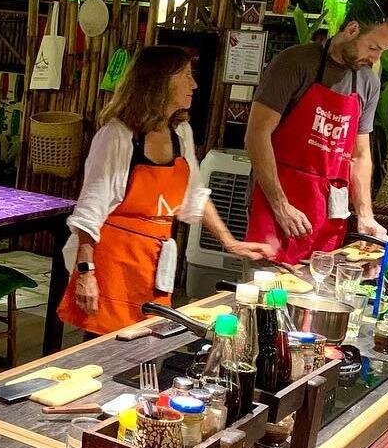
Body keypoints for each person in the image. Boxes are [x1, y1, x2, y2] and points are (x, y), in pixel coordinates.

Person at [60, 46, 273, 335]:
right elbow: (89, 213)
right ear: (159, 81)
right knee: (107, 347)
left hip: (154, 263)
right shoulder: (117, 136)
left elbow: (195, 194)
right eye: (186, 75)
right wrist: (86, 273)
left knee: (150, 340)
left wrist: (231, 243)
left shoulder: (181, 133)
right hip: (112, 264)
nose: (194, 85)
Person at [245, 0, 388, 264]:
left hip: (329, 214)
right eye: (373, 47)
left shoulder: (368, 82)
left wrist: (365, 215)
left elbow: (359, 155)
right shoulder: (295, 63)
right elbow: (257, 135)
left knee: (319, 285)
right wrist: (281, 205)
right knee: (268, 287)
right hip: (278, 206)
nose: (376, 58)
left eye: (382, 51)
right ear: (352, 29)